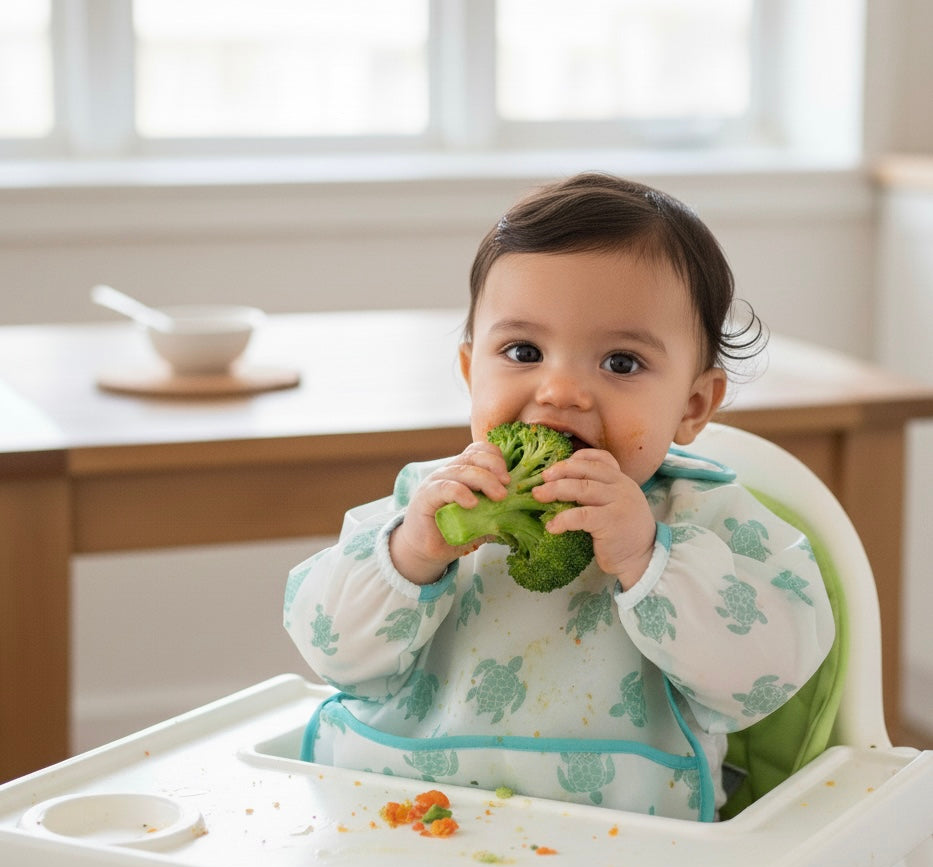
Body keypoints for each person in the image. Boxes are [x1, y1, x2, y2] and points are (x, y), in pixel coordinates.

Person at [283, 173, 835, 821]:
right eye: (523, 350)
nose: (560, 390)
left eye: (620, 363)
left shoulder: (708, 520)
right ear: (470, 372)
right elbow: (329, 650)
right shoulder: (429, 504)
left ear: (691, 406)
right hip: (397, 821)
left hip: (628, 854)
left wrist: (650, 559)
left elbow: (762, 679)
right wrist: (407, 558)